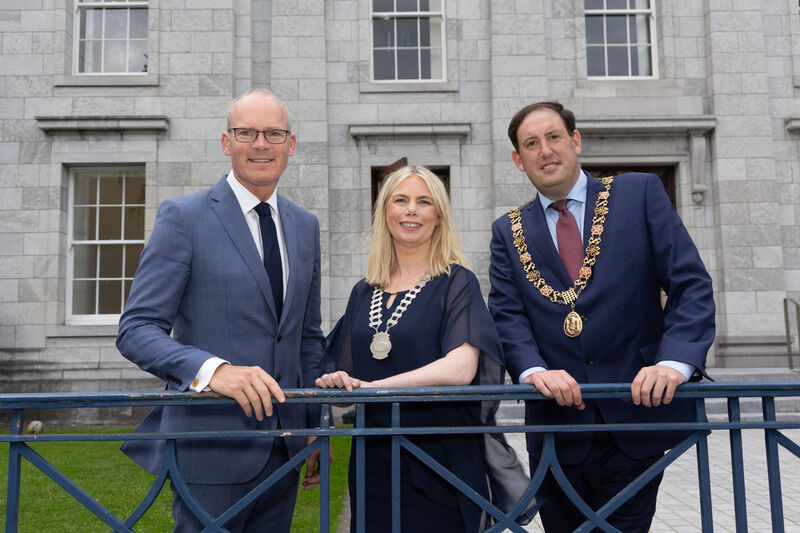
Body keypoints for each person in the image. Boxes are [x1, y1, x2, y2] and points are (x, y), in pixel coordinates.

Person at [488, 102, 715, 532]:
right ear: (519, 160)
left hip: (635, 416)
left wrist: (673, 362)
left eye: (554, 137)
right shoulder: (508, 229)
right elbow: (507, 315)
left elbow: (691, 286)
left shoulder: (639, 194)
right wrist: (533, 370)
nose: (545, 151)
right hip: (556, 430)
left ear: (575, 141)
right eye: (531, 144)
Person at [116, 88, 325, 532]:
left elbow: (306, 337)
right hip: (210, 444)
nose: (261, 144)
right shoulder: (184, 217)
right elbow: (137, 329)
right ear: (227, 142)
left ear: (291, 144)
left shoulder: (305, 226)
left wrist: (312, 424)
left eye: (273, 133)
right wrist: (214, 371)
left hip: (285, 448)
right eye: (246, 132)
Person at [317, 165, 504, 532]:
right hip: (373, 458)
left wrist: (376, 389)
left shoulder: (456, 282)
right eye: (400, 200)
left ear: (438, 217)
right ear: (385, 213)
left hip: (439, 456)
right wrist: (337, 382)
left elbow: (460, 369)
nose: (411, 210)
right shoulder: (363, 291)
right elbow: (342, 393)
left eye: (424, 201)